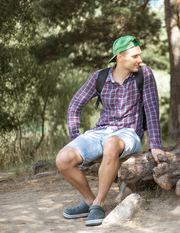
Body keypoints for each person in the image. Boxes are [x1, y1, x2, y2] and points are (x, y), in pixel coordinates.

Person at [55, 36, 165, 226]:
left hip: (129, 133)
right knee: (63, 159)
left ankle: (99, 203)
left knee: (111, 143)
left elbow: (152, 109)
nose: (140, 60)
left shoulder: (144, 74)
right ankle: (89, 201)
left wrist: (155, 144)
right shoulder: (100, 77)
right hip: (101, 131)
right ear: (120, 57)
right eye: (135, 56)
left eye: (140, 55)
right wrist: (76, 137)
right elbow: (75, 105)